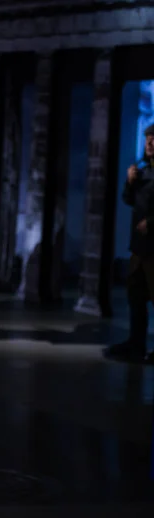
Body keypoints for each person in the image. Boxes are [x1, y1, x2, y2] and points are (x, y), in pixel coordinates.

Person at [105, 123, 154, 363]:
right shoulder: (143, 171)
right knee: (136, 297)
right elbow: (128, 200)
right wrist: (129, 181)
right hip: (138, 248)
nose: (150, 143)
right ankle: (135, 344)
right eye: (148, 139)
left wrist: (152, 222)